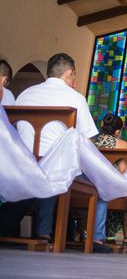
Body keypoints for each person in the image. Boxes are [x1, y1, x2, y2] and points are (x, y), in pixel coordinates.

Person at [14, 53, 111, 253]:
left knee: (45, 172)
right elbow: (87, 141)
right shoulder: (75, 98)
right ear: (69, 74)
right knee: (101, 186)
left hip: (22, 163)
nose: (74, 81)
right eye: (74, 76)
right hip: (56, 169)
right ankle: (96, 239)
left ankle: (40, 232)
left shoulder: (25, 94)